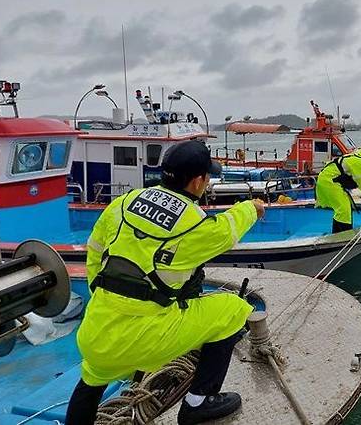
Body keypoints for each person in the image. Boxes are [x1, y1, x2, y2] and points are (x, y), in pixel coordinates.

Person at [65, 140, 265, 425]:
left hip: (96, 334)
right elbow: (228, 229)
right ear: (198, 181)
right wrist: (252, 207)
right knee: (232, 309)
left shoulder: (122, 204)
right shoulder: (195, 225)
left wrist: (102, 295)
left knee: (92, 377)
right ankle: (199, 402)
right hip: (144, 339)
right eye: (207, 177)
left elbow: (95, 249)